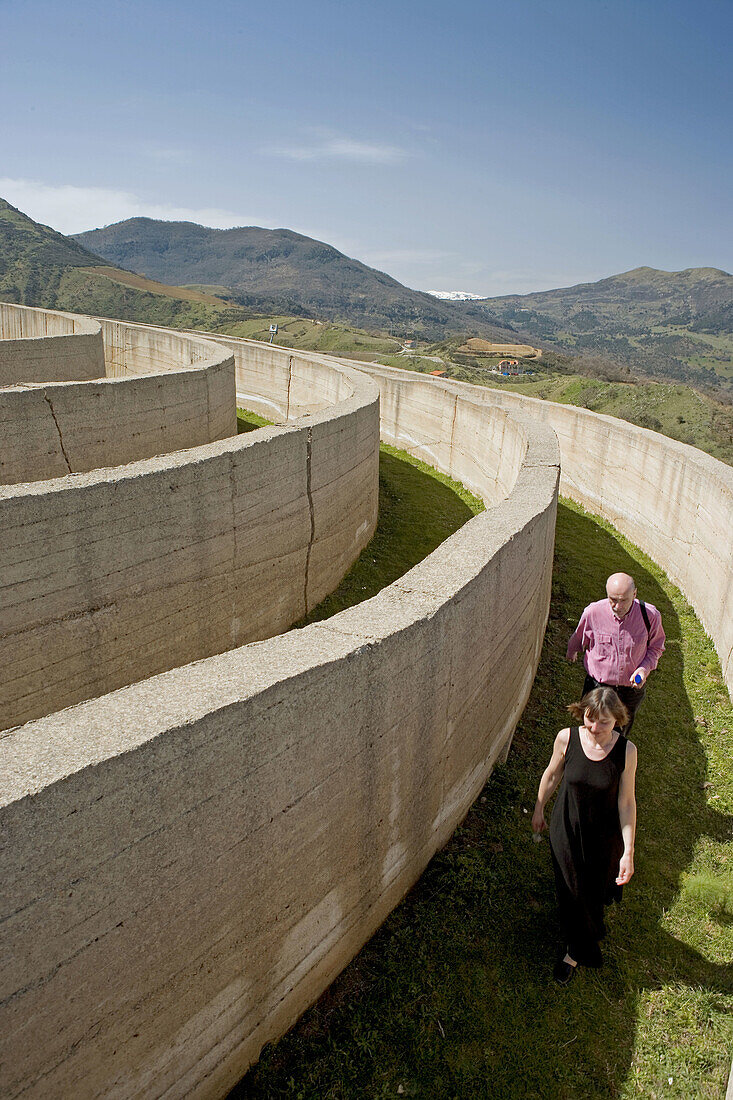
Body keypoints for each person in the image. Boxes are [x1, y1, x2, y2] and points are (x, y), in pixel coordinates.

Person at [532, 687, 637, 983]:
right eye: (590, 719)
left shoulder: (626, 752)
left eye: (604, 722)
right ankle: (577, 944)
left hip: (603, 837)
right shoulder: (567, 738)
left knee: (589, 892)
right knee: (570, 888)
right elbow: (552, 774)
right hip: (566, 827)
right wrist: (539, 807)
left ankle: (575, 951)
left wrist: (628, 851)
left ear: (617, 719)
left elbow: (627, 803)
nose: (595, 727)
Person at [567, 572, 665, 733]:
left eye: (624, 600)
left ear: (634, 594)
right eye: (613, 600)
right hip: (598, 687)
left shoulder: (650, 616)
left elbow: (656, 647)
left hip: (630, 691)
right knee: (592, 728)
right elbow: (579, 637)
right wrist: (572, 651)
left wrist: (644, 669)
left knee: (619, 731)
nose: (618, 607)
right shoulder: (593, 612)